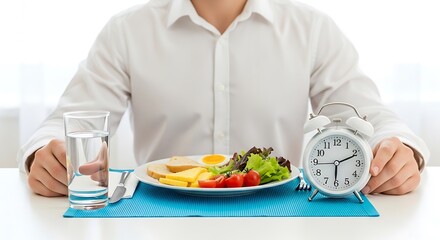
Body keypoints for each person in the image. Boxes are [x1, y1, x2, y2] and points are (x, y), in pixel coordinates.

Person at [17, 0, 429, 197]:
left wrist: (400, 151)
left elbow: (372, 116)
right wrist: (45, 156)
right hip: (160, 224)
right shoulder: (128, 31)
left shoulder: (312, 30)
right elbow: (66, 122)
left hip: (281, 224)